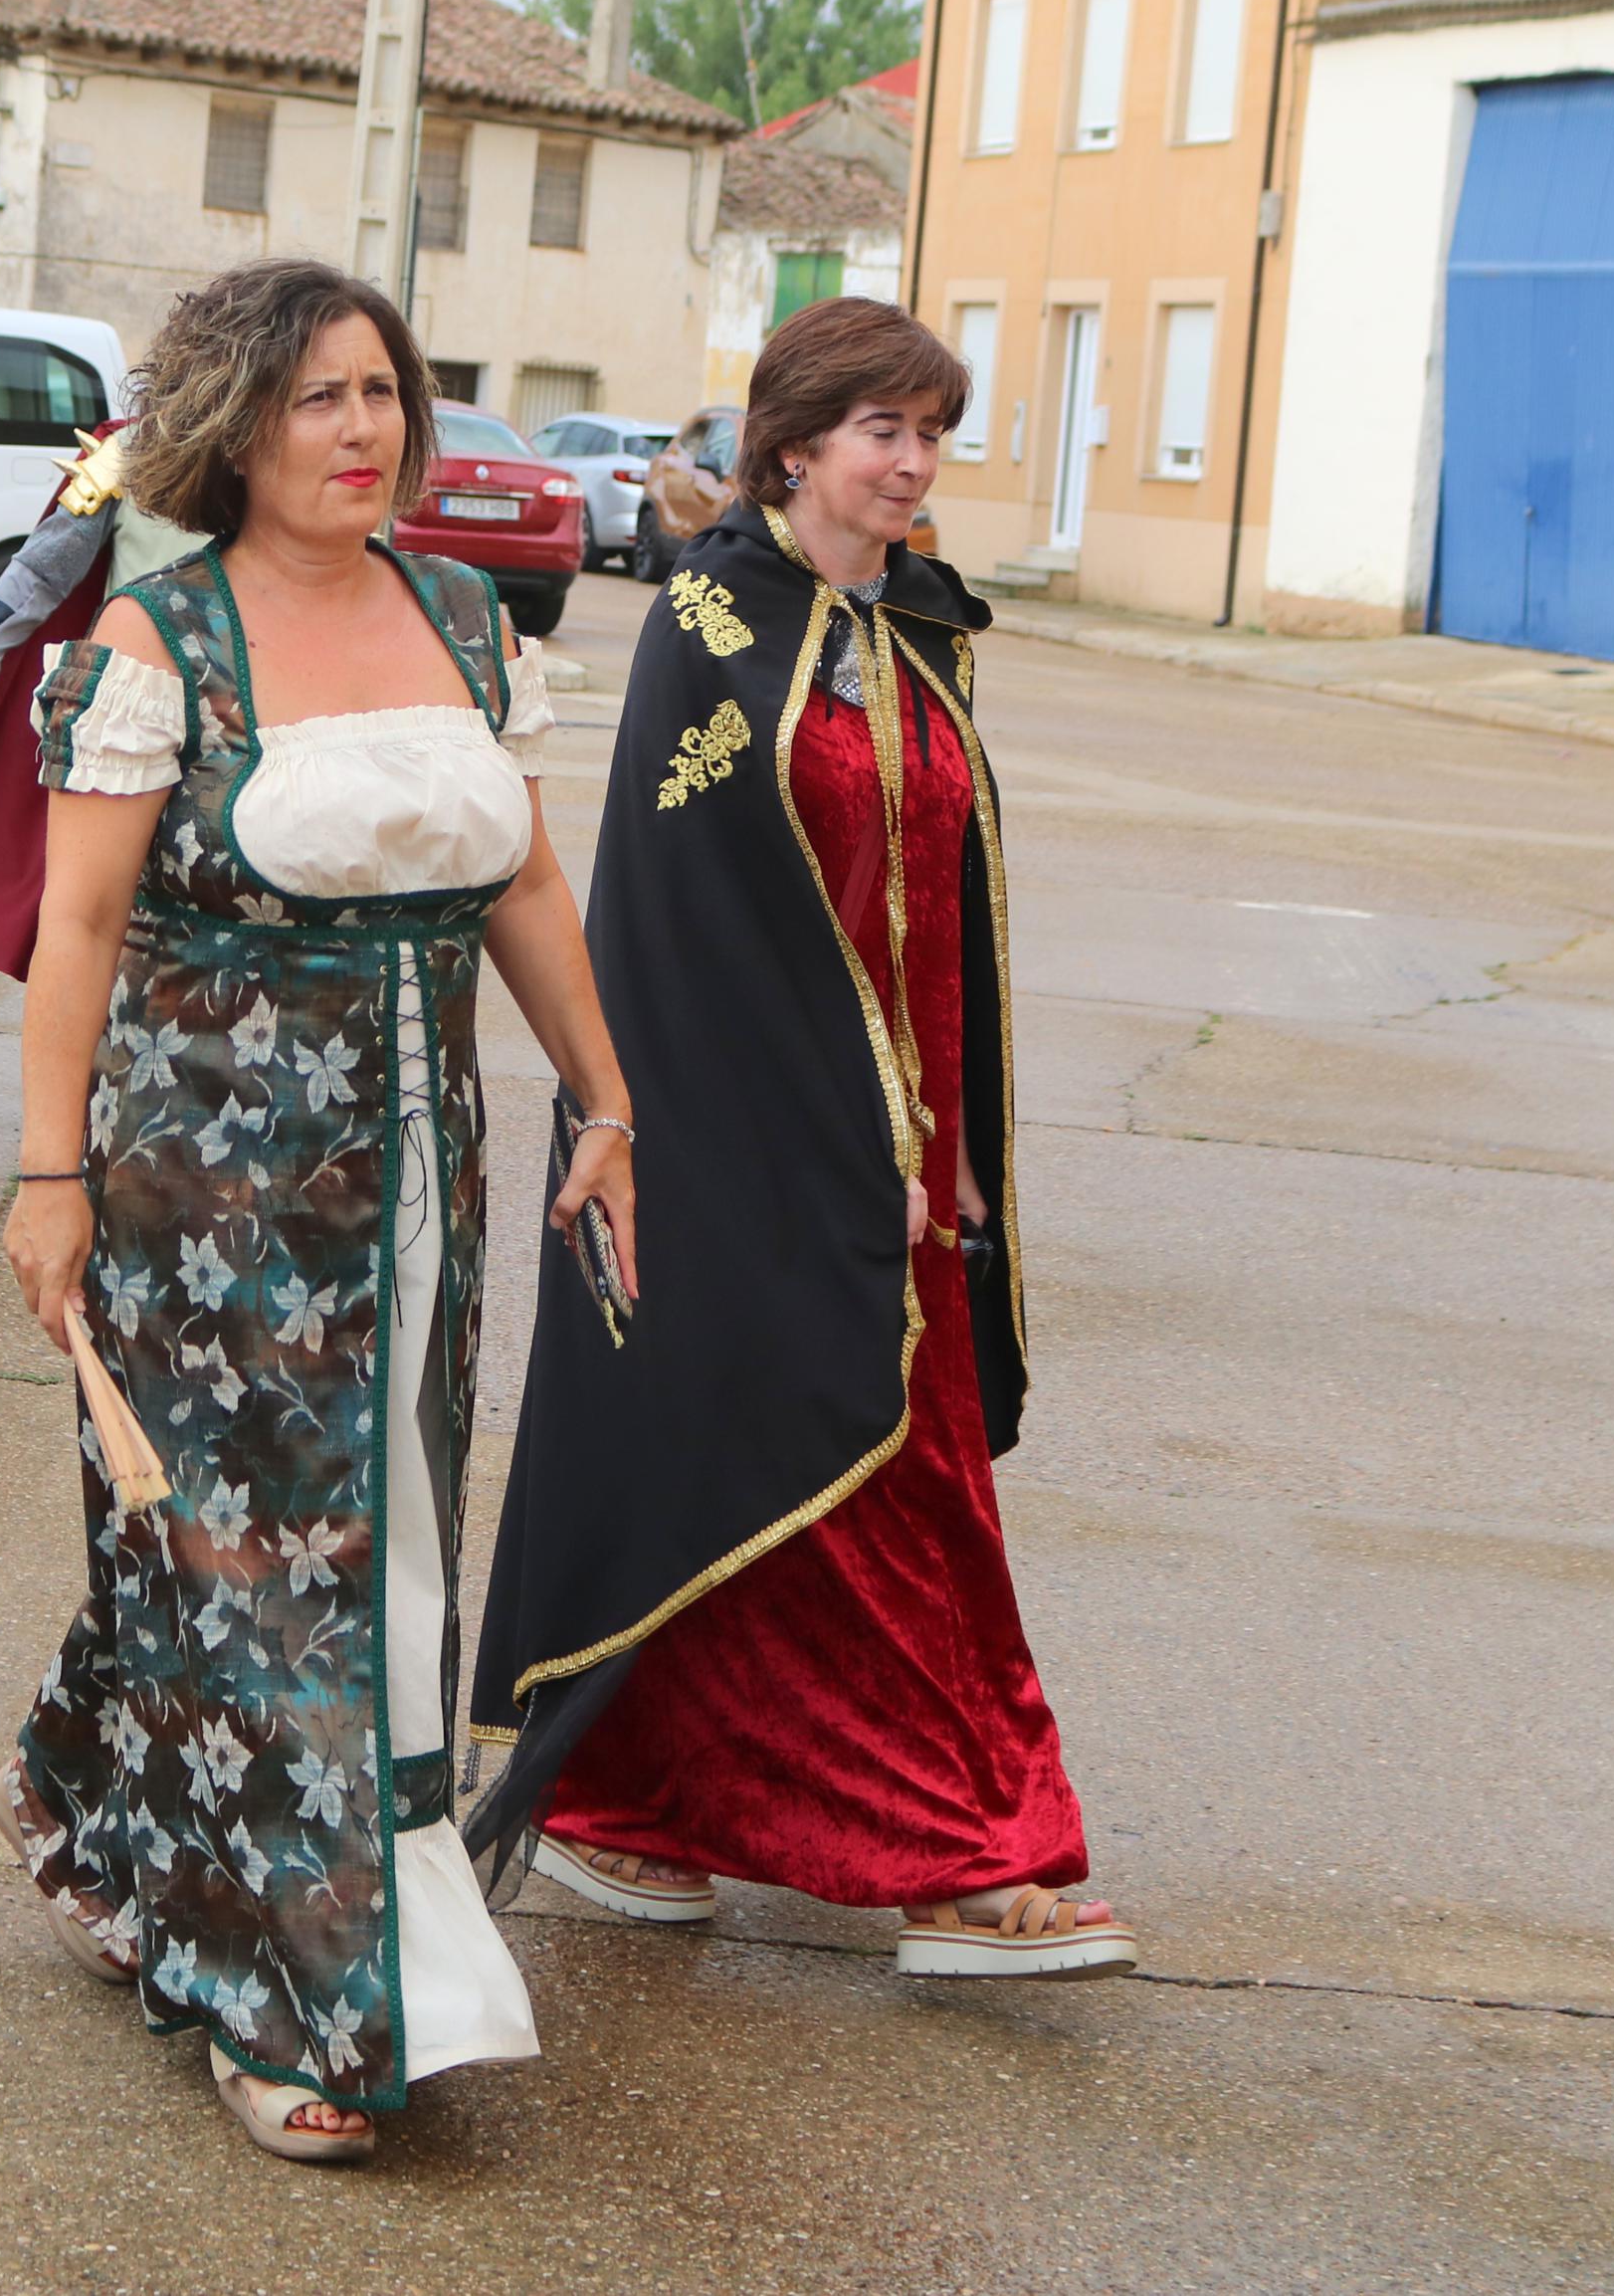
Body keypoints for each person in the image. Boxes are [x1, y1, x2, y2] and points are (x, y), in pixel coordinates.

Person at [0, 259, 639, 2165]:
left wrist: (604, 1094)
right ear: (232, 429)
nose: (361, 433)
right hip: (206, 1184)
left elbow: (519, 883)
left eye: (380, 394)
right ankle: (282, 1994)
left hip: (420, 1162)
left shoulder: (461, 612)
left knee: (387, 1542)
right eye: (315, 401)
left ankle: (96, 1799)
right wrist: (50, 1182)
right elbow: (77, 928)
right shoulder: (157, 644)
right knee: (259, 1561)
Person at [466, 297, 1134, 1984]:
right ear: (793, 447)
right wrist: (720, 1130)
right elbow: (679, 922)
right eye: (881, 432)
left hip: (897, 1147)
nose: (912, 465)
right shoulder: (714, 627)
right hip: (741, 1135)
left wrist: (960, 1135)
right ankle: (947, 1857)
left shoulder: (910, 629)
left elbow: (937, 917)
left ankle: (637, 1804)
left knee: (873, 1486)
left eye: (930, 432)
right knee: (836, 1480)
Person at [0, 419, 198, 978]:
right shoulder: (131, 450)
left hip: (244, 712)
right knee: (93, 914)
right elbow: (44, 570)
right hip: (123, 713)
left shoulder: (281, 450)